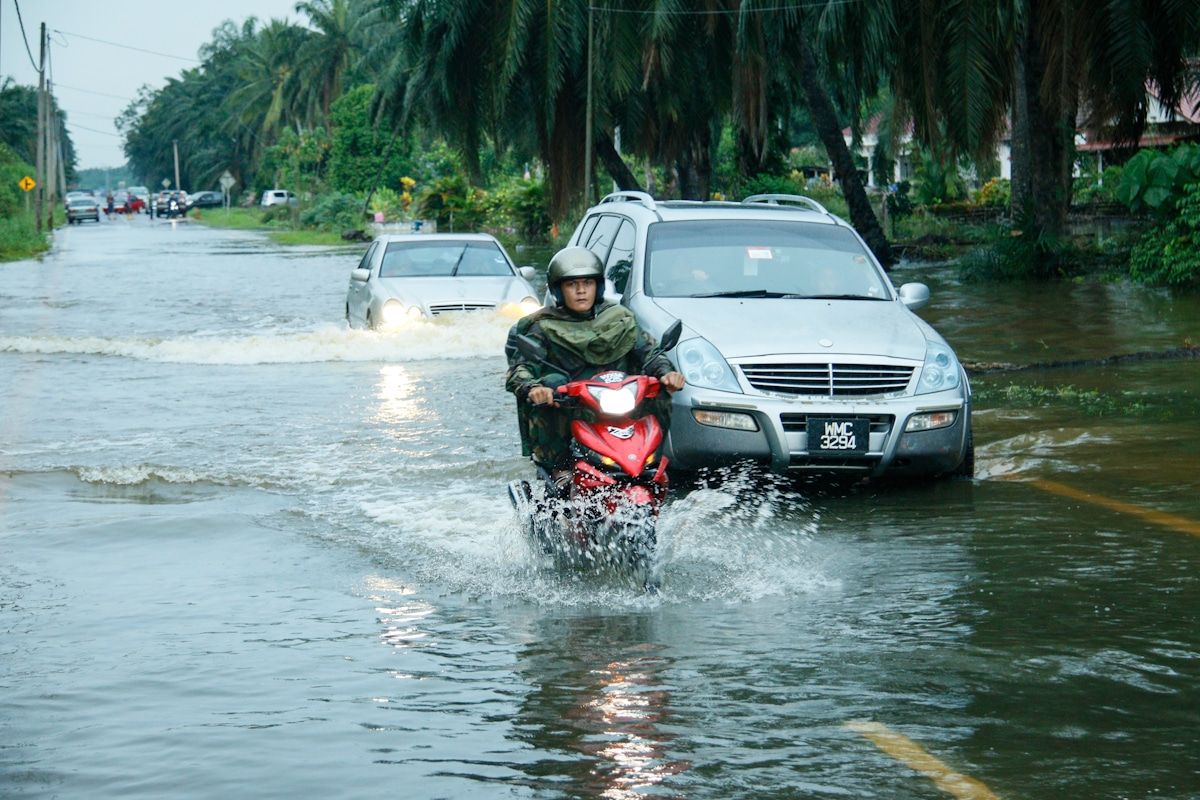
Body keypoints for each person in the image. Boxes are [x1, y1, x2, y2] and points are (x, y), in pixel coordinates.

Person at [505, 247, 685, 489]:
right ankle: (561, 467)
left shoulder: (619, 318)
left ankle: (649, 458)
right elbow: (520, 368)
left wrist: (666, 373)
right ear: (559, 289)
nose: (581, 290)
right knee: (552, 382)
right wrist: (534, 387)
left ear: (598, 287)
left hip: (619, 398)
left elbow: (648, 353)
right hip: (571, 405)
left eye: (587, 283)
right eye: (572, 285)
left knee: (660, 391)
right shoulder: (542, 326)